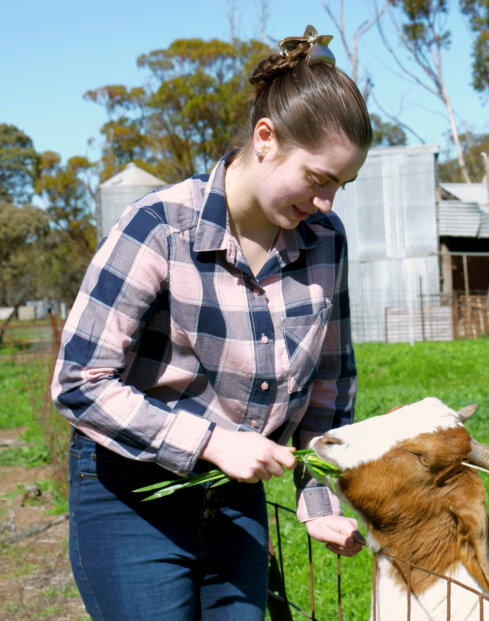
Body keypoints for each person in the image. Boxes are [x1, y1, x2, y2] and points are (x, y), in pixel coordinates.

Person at [51, 25, 371, 620]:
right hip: (128, 496)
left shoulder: (325, 240)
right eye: (318, 179)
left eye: (341, 185)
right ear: (266, 138)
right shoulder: (158, 228)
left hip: (233, 500)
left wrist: (318, 495)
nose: (327, 202)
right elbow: (77, 381)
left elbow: (330, 388)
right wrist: (211, 442)